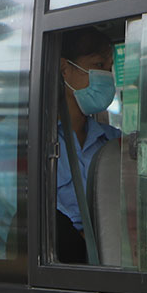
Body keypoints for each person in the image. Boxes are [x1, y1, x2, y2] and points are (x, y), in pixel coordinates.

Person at [56, 26, 121, 263]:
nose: (107, 76)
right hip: (65, 264)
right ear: (65, 69)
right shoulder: (37, 146)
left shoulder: (113, 141)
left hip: (112, 258)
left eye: (110, 68)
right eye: (98, 65)